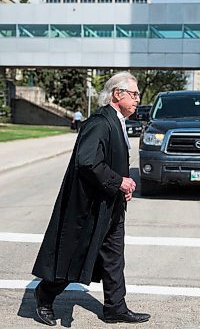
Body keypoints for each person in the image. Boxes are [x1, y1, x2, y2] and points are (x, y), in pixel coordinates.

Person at [31, 72, 150, 326]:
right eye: (135, 94)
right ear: (118, 94)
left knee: (114, 258)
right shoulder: (99, 122)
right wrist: (119, 181)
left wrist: (122, 185)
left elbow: (110, 160)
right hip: (90, 207)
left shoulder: (116, 121)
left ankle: (115, 308)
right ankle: (44, 294)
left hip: (111, 203)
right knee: (75, 254)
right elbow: (87, 161)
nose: (138, 99)